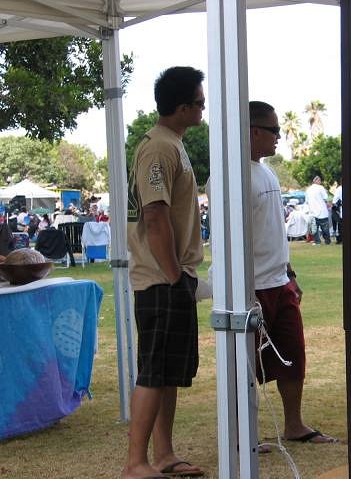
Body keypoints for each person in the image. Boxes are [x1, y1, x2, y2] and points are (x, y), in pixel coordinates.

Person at [123, 66, 205, 479]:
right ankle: (135, 463)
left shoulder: (172, 143)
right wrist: (175, 277)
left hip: (171, 276)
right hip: (160, 280)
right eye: (200, 102)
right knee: (154, 372)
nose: (203, 108)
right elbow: (154, 215)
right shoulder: (158, 147)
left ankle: (164, 455)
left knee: (168, 372)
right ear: (183, 106)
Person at [249, 100, 337, 444]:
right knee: (246, 364)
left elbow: (273, 231)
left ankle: (294, 425)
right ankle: (242, 434)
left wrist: (290, 272)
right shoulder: (230, 176)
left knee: (292, 354)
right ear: (253, 131)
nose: (279, 137)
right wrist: (244, 288)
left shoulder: (266, 171)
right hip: (251, 286)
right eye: (274, 130)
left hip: (279, 281)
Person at [305, 175, 331, 245]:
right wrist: (328, 204)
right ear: (317, 181)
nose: (320, 182)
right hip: (322, 211)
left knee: (315, 228)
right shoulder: (321, 188)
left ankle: (317, 241)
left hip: (313, 212)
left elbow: (307, 201)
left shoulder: (308, 189)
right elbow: (326, 198)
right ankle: (327, 241)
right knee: (325, 228)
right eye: (319, 180)